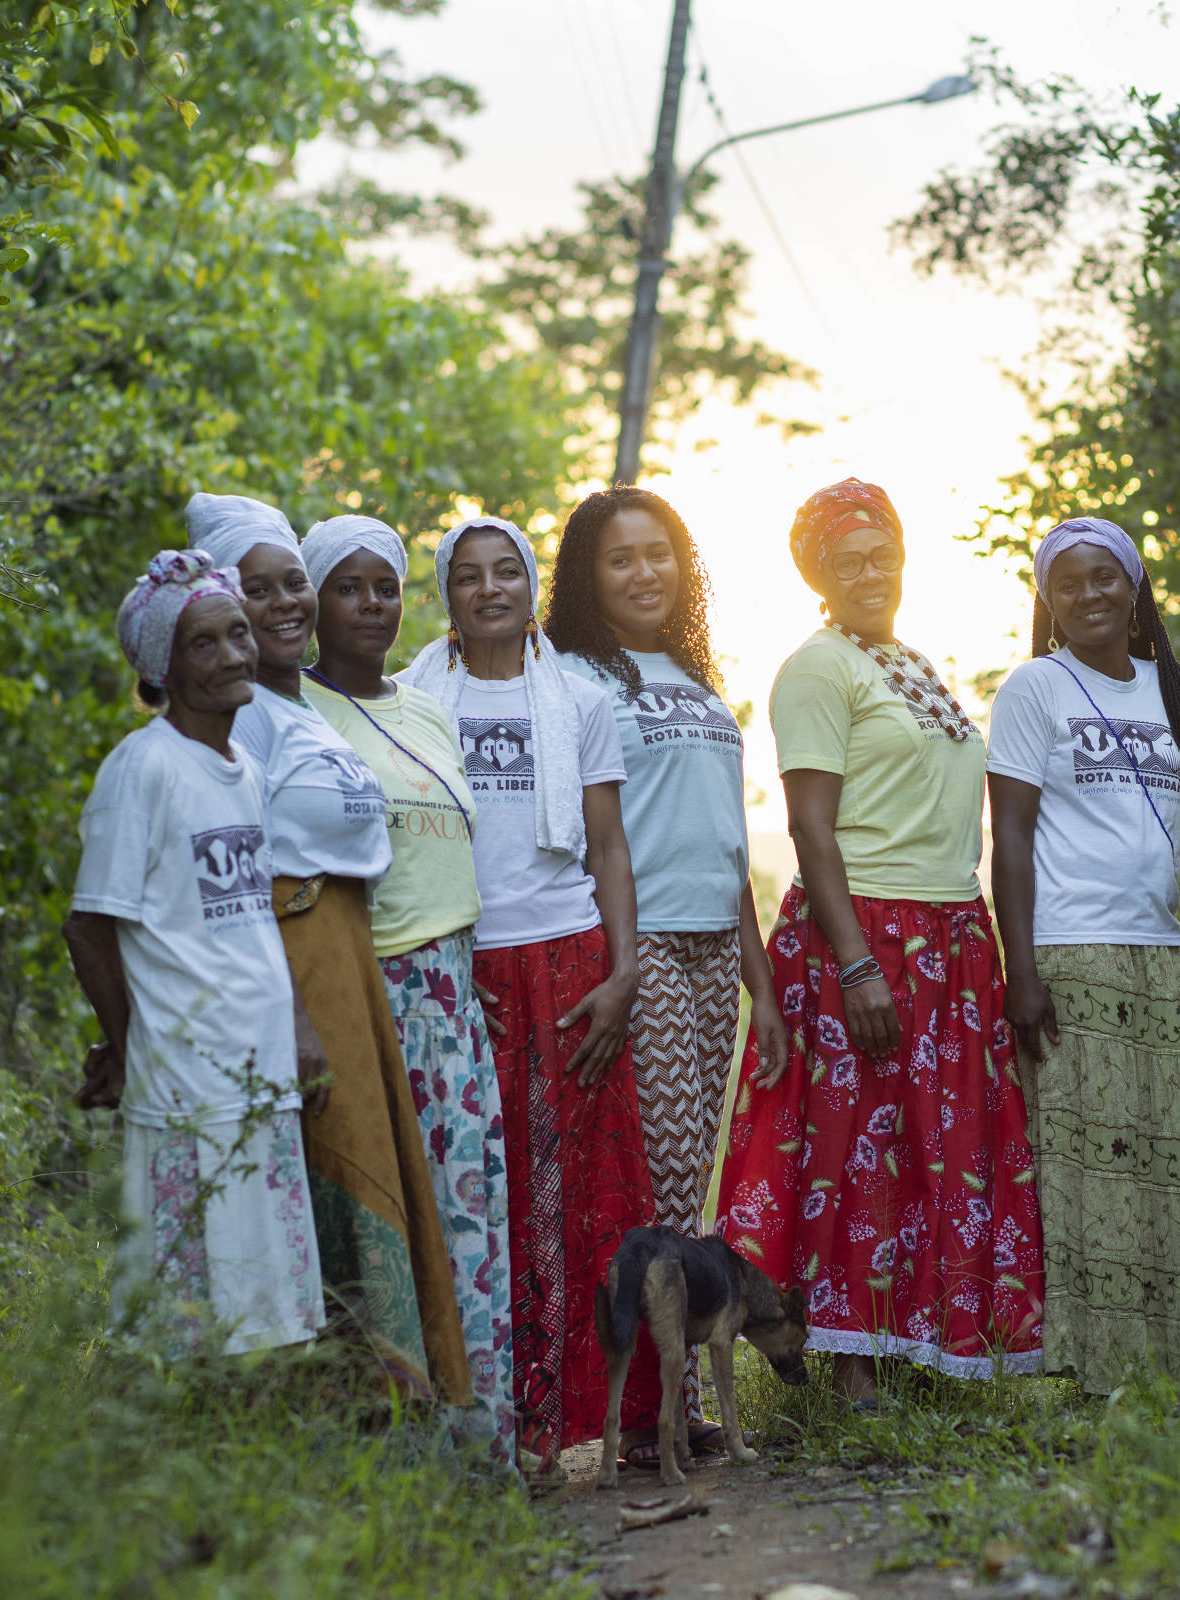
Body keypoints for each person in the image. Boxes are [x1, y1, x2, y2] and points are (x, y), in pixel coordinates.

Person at [717, 478, 1045, 1405]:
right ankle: (849, 1361)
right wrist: (857, 962)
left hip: (948, 930)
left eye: (881, 554)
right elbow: (812, 830)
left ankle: (920, 1343)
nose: (869, 571)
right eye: (845, 560)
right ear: (816, 575)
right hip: (864, 933)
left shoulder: (910, 663)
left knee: (929, 1144)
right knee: (854, 1144)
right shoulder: (819, 667)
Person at [183, 493, 473, 1411]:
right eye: (254, 592)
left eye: (292, 586)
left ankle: (384, 1423)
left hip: (351, 963)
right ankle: (311, 1421)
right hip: (293, 971)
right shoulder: (231, 725)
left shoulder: (303, 712)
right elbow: (227, 883)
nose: (283, 607)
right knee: (315, 1187)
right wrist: (290, 1015)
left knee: (371, 1187)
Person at [398, 515, 661, 1471]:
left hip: (572, 967)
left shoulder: (581, 698)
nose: (490, 588)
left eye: (507, 571)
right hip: (468, 966)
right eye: (467, 576)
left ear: (530, 586)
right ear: (447, 597)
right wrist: (446, 961)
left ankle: (613, 1419)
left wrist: (624, 972)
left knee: (589, 1195)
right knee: (487, 1197)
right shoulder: (415, 701)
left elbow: (608, 847)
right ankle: (507, 1427)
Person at [543, 486, 787, 1460]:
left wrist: (759, 983)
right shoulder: (570, 679)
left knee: (690, 1193)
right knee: (661, 1186)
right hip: (636, 955)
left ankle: (670, 1409)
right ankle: (645, 1416)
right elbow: (583, 839)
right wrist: (616, 961)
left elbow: (725, 848)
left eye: (661, 554)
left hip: (712, 948)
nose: (645, 573)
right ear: (585, 576)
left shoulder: (697, 677)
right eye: (620, 558)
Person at [986, 517, 1180, 1395]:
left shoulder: (1172, 689)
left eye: (1106, 577)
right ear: (1047, 600)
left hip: (1160, 952)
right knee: (1086, 1161)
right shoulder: (1035, 689)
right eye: (1069, 582)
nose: (1090, 594)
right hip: (1067, 951)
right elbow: (1011, 835)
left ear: (1134, 586)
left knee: (1173, 1146)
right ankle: (1093, 1366)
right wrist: (1019, 972)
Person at [62, 549, 325, 1358]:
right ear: (162, 668)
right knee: (184, 1321)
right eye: (203, 644)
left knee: (268, 1299)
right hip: (187, 1085)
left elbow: (252, 920)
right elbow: (90, 925)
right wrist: (133, 1042)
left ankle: (256, 1454)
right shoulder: (143, 767)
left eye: (238, 635)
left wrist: (300, 1029)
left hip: (259, 1074)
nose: (234, 656)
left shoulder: (242, 767)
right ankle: (178, 1460)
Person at [297, 513, 514, 1462]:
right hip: (375, 995)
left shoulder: (426, 707)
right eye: (348, 587)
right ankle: (402, 1455)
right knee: (398, 1230)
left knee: (472, 1227)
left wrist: (466, 973)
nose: (372, 604)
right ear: (311, 602)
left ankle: (480, 1450)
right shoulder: (293, 715)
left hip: (455, 996)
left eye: (384, 586)